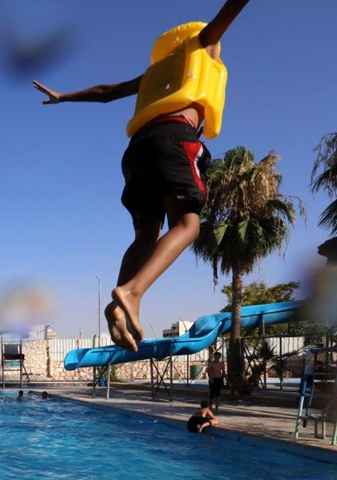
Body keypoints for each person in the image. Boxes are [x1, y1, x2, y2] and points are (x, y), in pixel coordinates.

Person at [33, 0, 250, 351]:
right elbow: (230, 10)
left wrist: (63, 97)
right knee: (188, 224)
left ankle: (119, 306)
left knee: (146, 234)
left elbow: (106, 93)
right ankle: (131, 292)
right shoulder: (204, 44)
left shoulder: (155, 73)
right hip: (175, 138)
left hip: (137, 151)